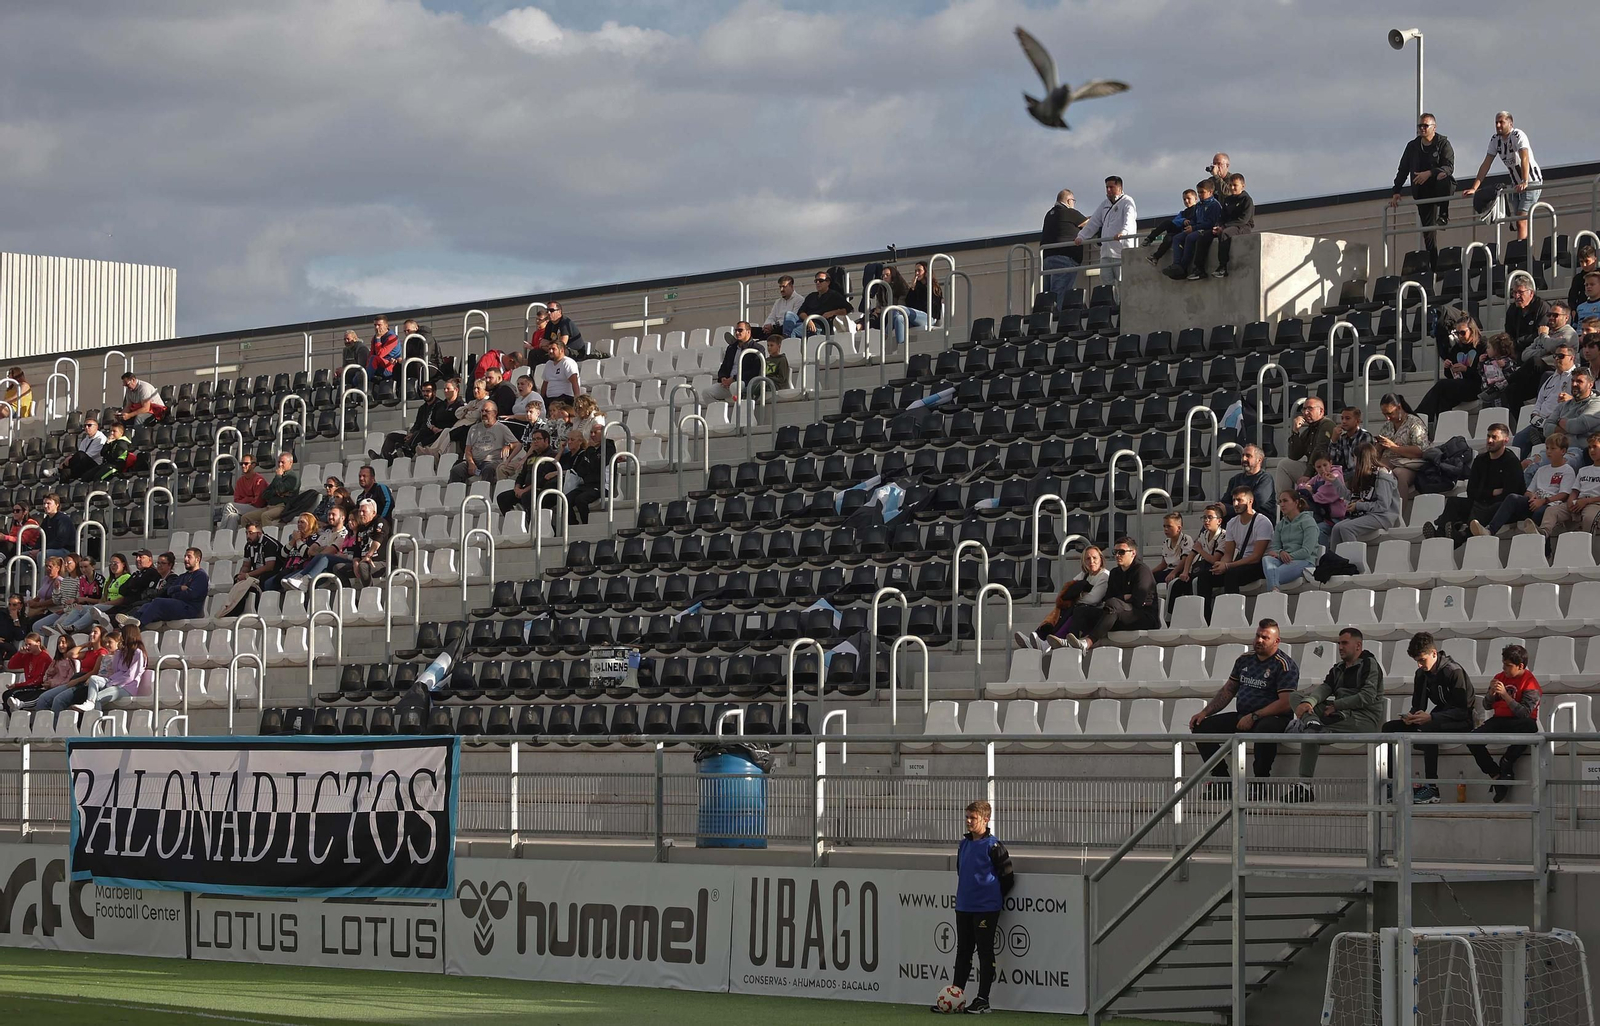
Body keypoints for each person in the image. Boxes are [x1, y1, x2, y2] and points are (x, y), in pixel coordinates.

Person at [1189, 619, 1300, 791]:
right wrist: (1205, 712)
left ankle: (1260, 782)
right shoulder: (1244, 660)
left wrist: (1255, 716)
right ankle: (1222, 780)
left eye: (1265, 637)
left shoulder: (1284, 665)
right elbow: (1228, 690)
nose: (1259, 640)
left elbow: (1286, 703)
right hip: (1243, 715)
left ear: (1276, 641)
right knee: (1201, 727)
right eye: (1257, 636)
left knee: (1265, 730)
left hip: (1274, 718)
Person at [934, 799, 1014, 1017]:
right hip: (964, 905)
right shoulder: (964, 844)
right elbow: (962, 871)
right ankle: (955, 997)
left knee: (985, 952)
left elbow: (1008, 877)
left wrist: (991, 897)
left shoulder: (994, 846)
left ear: (986, 819)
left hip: (986, 908)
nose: (968, 821)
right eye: (967, 817)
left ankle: (983, 1000)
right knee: (963, 951)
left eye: (973, 818)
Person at [1286, 627, 1385, 801]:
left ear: (1358, 645)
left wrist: (1337, 705)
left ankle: (1304, 784)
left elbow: (1367, 697)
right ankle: (1312, 723)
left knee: (1310, 733)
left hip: (1362, 719)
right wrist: (1310, 702)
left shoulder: (1369, 664)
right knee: (1296, 697)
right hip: (1339, 714)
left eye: (1344, 643)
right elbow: (1325, 687)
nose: (1340, 647)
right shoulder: (1338, 667)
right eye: (1339, 643)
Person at [1384, 632, 1477, 804]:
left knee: (1428, 729)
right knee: (1389, 728)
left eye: (1422, 660)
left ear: (1434, 653)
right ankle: (1390, 784)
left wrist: (1432, 717)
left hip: (1461, 721)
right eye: (1416, 661)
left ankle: (1432, 788)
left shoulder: (1453, 671)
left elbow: (1462, 711)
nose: (1419, 665)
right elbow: (1418, 706)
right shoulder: (1421, 673)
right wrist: (1411, 717)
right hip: (1438, 717)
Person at [1463, 643, 1542, 804]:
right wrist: (1491, 694)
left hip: (1520, 721)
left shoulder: (1530, 683)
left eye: (1508, 665)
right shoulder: (1499, 677)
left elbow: (1524, 713)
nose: (1504, 669)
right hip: (1499, 719)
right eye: (1503, 664)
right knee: (1472, 739)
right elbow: (1486, 705)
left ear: (1520, 666)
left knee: (1530, 727)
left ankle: (1507, 761)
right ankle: (1495, 774)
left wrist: (1506, 695)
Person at [1425, 422, 1522, 543]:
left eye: (1494, 437)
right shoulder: (1480, 460)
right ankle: (1440, 533)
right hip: (1480, 503)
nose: (1490, 440)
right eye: (1488, 436)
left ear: (1505, 440)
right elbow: (1471, 491)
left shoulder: (1511, 462)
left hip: (1500, 508)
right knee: (1454, 502)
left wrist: (1484, 494)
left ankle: (1459, 535)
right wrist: (1492, 492)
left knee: (1485, 509)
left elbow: (1510, 493)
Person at [1063, 536, 1158, 651]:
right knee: (1081, 610)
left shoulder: (1142, 571)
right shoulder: (1115, 573)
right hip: (1117, 614)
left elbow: (1138, 601)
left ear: (1133, 553)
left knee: (1113, 604)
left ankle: (1088, 642)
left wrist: (1119, 600)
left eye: (1121, 552)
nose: (1117, 555)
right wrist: (1124, 597)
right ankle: (1070, 643)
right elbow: (1107, 598)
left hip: (1142, 617)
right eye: (1115, 552)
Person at [1472, 431, 1572, 538]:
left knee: (1539, 513)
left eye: (1553, 448)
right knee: (1512, 498)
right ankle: (1490, 530)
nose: (1549, 452)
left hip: (1550, 504)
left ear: (1563, 451)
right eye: (1547, 448)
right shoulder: (1541, 470)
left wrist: (1543, 501)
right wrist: (1532, 496)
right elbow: (1528, 491)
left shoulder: (1567, 470)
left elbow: (1564, 495)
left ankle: (1543, 546)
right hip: (1534, 502)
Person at [1462, 111, 1542, 242]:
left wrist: (1525, 181)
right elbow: (1486, 164)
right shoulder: (1495, 140)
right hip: (1516, 184)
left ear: (1510, 124)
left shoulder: (1517, 135)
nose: (1498, 125)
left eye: (1501, 122)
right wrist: (1474, 188)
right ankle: (1522, 247)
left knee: (1521, 220)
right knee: (1518, 221)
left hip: (1531, 181)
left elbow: (1524, 157)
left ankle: (1522, 250)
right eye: (1496, 123)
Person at [1390, 113, 1455, 267]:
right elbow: (1403, 169)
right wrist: (1396, 191)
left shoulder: (1443, 143)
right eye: (1420, 126)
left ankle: (1443, 215)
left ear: (1434, 127)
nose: (1422, 129)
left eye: (1426, 126)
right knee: (1429, 234)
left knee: (1444, 177)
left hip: (1439, 187)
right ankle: (1434, 267)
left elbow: (1449, 167)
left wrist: (1430, 173)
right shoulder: (1412, 146)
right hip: (1422, 192)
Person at [1194, 486, 1272, 616]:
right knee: (1204, 576)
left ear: (1250, 501)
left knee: (1231, 574)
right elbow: (1228, 554)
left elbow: (1256, 556)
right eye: (1234, 500)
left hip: (1259, 565)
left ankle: (1232, 615)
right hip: (1240, 564)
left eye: (1239, 500)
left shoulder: (1262, 522)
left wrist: (1228, 566)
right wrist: (1222, 564)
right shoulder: (1231, 523)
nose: (1235, 504)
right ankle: (1206, 619)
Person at [1013, 546, 1108, 651]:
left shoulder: (1104, 575)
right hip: (1081, 609)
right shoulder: (1084, 575)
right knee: (1059, 609)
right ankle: (1038, 637)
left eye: (1095, 558)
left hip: (1094, 613)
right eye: (1088, 559)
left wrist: (1077, 597)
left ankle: (1046, 644)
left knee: (1072, 608)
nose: (1091, 561)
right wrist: (1078, 596)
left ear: (1101, 559)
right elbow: (1067, 591)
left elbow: (1092, 599)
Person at [1327, 442, 1401, 549]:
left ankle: (1353, 558)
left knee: (1346, 528)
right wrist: (1335, 482)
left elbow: (1383, 506)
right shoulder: (1365, 474)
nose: (1353, 461)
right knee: (1336, 528)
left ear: (1362, 459)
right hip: (1367, 513)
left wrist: (1358, 506)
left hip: (1382, 516)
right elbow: (1352, 497)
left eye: (1355, 458)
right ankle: (1334, 558)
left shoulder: (1382, 476)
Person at [1512, 343, 1577, 459]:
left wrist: (1571, 399)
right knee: (1519, 439)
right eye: (1555, 356)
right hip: (1541, 421)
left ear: (1572, 358)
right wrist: (1535, 414)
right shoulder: (1550, 378)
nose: (1557, 359)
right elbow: (1539, 401)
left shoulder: (1576, 378)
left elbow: (1583, 399)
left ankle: (1542, 438)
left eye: (1561, 356)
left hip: (1558, 421)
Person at [1416, 317, 1484, 422]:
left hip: (1477, 385)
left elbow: (1484, 373)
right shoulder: (1457, 348)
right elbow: (1449, 375)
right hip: (1460, 385)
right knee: (1443, 400)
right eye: (1457, 333)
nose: (1460, 336)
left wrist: (1466, 369)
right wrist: (1448, 367)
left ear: (1472, 330)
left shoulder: (1482, 346)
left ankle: (1418, 417)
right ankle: (1440, 427)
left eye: (1463, 333)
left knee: (1441, 385)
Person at [119, 549, 208, 627]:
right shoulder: (182, 576)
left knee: (158, 602)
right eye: (185, 556)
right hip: (179, 605)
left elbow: (192, 594)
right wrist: (180, 588)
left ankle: (137, 626)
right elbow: (169, 591)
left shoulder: (201, 575)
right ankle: (131, 622)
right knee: (147, 605)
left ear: (197, 559)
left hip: (190, 609)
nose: (185, 559)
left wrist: (177, 591)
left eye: (189, 557)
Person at [1167, 504, 1225, 615]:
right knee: (1177, 584)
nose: (1206, 520)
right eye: (1204, 517)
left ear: (1219, 521)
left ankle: (1204, 616)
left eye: (1210, 517)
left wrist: (1200, 550)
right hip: (1203, 569)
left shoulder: (1223, 536)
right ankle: (1171, 616)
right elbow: (1191, 555)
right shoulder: (1204, 534)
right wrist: (1185, 572)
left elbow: (1214, 560)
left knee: (1198, 581)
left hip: (1215, 571)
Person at [1074, 176, 1139, 276]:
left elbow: (1129, 219)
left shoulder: (1127, 201)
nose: (1108, 190)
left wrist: (1123, 232)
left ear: (1119, 188)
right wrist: (1081, 236)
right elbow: (1094, 221)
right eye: (1107, 187)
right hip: (1106, 253)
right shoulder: (1105, 204)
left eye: (1111, 187)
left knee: (1122, 281)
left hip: (1121, 252)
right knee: (1106, 281)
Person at [282, 504, 357, 590]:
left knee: (323, 557)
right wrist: (322, 550)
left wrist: (320, 551)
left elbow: (330, 551)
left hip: (336, 563)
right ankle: (301, 579)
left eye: (333, 514)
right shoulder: (326, 533)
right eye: (329, 514)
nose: (330, 517)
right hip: (324, 563)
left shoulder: (343, 534)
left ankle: (306, 580)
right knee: (286, 580)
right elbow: (310, 551)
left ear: (342, 518)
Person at [77, 625, 149, 713]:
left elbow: (130, 676)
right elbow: (115, 669)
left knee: (98, 697)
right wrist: (118, 652)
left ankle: (96, 719)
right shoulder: (123, 652)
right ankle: (90, 703)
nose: (121, 637)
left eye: (123, 634)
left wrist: (111, 683)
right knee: (94, 679)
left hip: (126, 687)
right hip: (114, 681)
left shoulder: (138, 653)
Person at [1195, 173, 1255, 279]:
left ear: (1243, 186)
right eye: (1230, 185)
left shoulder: (1247, 200)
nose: (1232, 187)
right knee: (1204, 235)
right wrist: (1218, 225)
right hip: (1227, 226)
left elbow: (1243, 220)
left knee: (1224, 234)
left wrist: (1224, 227)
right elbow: (1222, 217)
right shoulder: (1228, 200)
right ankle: (1199, 269)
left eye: (1235, 185)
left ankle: (1222, 267)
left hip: (1242, 226)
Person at [1542, 432, 1600, 537]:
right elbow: (1575, 490)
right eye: (1589, 447)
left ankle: (1585, 542)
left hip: (1595, 504)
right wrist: (1570, 502)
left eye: (1595, 447)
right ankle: (1543, 533)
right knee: (1551, 510)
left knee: (1589, 517)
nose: (1591, 450)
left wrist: (1587, 501)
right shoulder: (1583, 470)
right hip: (1578, 502)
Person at [1273, 398, 1335, 494]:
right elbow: (1294, 455)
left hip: (1327, 469)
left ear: (1321, 411)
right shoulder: (1308, 431)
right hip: (1313, 469)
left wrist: (1307, 474)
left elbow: (1320, 449)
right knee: (1284, 464)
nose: (1305, 412)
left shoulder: (1327, 424)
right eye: (1304, 409)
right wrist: (1295, 431)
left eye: (1310, 409)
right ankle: (1285, 500)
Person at [220, 522, 283, 617]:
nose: (248, 536)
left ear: (259, 533)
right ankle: (235, 609)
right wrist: (242, 575)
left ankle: (257, 611)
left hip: (274, 572)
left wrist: (247, 575)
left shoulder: (269, 543)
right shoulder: (248, 546)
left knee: (261, 580)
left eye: (251, 533)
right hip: (259, 572)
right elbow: (246, 565)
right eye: (246, 533)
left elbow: (269, 567)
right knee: (237, 578)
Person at [1375, 393, 1430, 497]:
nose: (1387, 418)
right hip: (1387, 463)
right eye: (1384, 414)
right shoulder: (1387, 426)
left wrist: (1393, 447)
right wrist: (1378, 447)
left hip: (1408, 465)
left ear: (1399, 407)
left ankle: (1399, 507)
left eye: (1390, 413)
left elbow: (1420, 451)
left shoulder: (1414, 423)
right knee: (1372, 472)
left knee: (1398, 474)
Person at [1041, 188, 1088, 309]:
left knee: (1048, 295)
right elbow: (1089, 224)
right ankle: (1057, 318)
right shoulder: (1069, 212)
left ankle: (1046, 316)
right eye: (1073, 201)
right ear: (1068, 200)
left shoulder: (1049, 214)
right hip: (1065, 258)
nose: (1074, 204)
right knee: (1059, 294)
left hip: (1047, 259)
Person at [1261, 492, 1319, 590]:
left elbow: (1307, 551)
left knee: (1274, 574)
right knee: (1267, 559)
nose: (1282, 504)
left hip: (1304, 560)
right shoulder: (1280, 524)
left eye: (1285, 501)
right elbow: (1275, 547)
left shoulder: (1308, 521)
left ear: (1296, 502)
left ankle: (1273, 593)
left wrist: (1287, 556)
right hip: (1284, 560)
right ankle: (1274, 591)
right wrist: (1280, 553)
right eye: (1280, 502)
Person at [374, 379, 443, 460]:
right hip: (416, 436)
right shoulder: (422, 408)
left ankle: (402, 451)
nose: (425, 394)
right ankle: (383, 457)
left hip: (428, 436)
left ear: (434, 392)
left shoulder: (440, 405)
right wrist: (411, 433)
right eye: (423, 391)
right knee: (391, 436)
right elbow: (417, 424)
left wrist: (415, 433)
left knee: (419, 432)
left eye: (427, 391)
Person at [452, 401, 520, 484]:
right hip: (474, 461)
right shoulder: (473, 428)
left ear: (495, 413)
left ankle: (485, 491)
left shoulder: (502, 428)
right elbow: (468, 450)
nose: (483, 413)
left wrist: (508, 445)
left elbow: (517, 444)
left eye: (487, 411)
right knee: (456, 470)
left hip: (491, 462)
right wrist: (471, 463)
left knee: (488, 469)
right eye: (482, 411)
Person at [498, 428, 561, 516]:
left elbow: (543, 479)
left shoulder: (552, 456)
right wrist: (517, 488)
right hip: (526, 489)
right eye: (533, 439)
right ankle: (514, 521)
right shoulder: (530, 457)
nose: (535, 442)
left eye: (538, 439)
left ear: (546, 440)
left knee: (527, 497)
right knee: (502, 497)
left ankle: (531, 522)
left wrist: (524, 490)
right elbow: (522, 475)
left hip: (542, 491)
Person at [1169, 179, 1223, 279]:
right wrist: (1190, 225)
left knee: (1190, 238)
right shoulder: (1198, 205)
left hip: (1207, 230)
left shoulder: (1214, 205)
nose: (1200, 195)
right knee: (1177, 238)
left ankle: (1183, 267)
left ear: (1210, 192)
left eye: (1202, 192)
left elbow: (1211, 223)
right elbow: (1194, 219)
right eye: (1198, 192)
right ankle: (1176, 264)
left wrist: (1194, 228)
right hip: (1195, 228)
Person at [90, 550, 158, 626]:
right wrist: (133, 587)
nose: (137, 559)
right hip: (127, 603)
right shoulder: (136, 574)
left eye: (141, 557)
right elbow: (122, 589)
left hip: (138, 604)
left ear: (150, 559)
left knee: (116, 616)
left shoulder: (152, 572)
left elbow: (139, 586)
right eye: (136, 557)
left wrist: (132, 587)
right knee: (103, 615)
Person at [700, 323, 763, 405]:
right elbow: (724, 366)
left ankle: (739, 411)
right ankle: (719, 411)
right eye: (736, 330)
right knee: (706, 393)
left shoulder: (757, 348)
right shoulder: (731, 348)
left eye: (740, 330)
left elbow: (754, 371)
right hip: (728, 383)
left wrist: (734, 379)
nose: (737, 333)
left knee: (734, 386)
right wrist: (723, 378)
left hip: (746, 382)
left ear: (748, 332)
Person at [239, 452, 300, 528]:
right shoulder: (280, 476)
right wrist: (276, 492)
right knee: (245, 518)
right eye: (279, 462)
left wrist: (278, 477)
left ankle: (268, 535)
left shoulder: (293, 477)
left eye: (282, 462)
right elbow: (265, 494)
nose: (280, 465)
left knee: (265, 516)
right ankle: (249, 535)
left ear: (290, 463)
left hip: (283, 506)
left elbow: (280, 489)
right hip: (270, 506)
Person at [785, 270, 853, 337]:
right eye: (816, 281)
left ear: (828, 282)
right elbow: (801, 312)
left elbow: (849, 309)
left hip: (820, 326)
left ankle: (787, 341)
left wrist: (832, 313)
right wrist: (808, 320)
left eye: (820, 281)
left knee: (794, 331)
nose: (818, 283)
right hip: (806, 322)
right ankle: (786, 337)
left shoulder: (834, 296)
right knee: (789, 315)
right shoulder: (811, 296)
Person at [1143, 188, 1199, 266]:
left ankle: (1156, 257)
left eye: (1189, 198)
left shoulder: (1198, 209)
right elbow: (1175, 221)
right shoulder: (1183, 212)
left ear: (1195, 199)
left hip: (1188, 231)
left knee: (1169, 238)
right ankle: (1149, 239)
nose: (1186, 201)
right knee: (1167, 224)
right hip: (1179, 229)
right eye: (1184, 199)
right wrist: (1183, 221)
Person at [415, 378, 465, 458]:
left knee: (446, 431)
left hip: (450, 432)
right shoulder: (440, 405)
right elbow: (430, 419)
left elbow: (459, 422)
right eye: (444, 389)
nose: (445, 391)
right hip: (435, 431)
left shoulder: (461, 406)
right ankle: (414, 450)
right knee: (423, 432)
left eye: (448, 389)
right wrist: (433, 428)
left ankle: (429, 451)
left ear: (456, 390)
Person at [1226, 444, 1276, 522]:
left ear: (1259, 460)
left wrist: (1227, 509)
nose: (1244, 459)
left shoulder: (1265, 479)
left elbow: (1253, 503)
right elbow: (1225, 501)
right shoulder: (1235, 479)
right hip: (1238, 520)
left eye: (1248, 456)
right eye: (1243, 455)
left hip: (1260, 521)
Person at [3, 633, 52, 710]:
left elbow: (37, 681)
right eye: (26, 644)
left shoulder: (44, 657)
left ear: (38, 643)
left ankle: (5, 707)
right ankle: (9, 710)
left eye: (30, 644)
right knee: (6, 694)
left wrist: (17, 685)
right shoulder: (28, 655)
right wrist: (19, 653)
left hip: (39, 687)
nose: (27, 647)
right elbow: (11, 666)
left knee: (11, 695)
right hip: (30, 685)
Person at [219, 453, 268, 529]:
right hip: (246, 508)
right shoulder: (240, 481)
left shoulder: (259, 480)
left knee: (229, 506)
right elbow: (236, 500)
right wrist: (249, 499)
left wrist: (245, 499)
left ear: (253, 465)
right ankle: (230, 536)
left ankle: (221, 531)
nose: (243, 466)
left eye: (246, 463)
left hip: (258, 509)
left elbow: (258, 502)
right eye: (241, 464)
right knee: (233, 516)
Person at [351, 498, 392, 586]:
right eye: (359, 511)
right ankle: (348, 593)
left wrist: (368, 555)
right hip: (364, 563)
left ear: (373, 513)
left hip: (383, 563)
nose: (361, 514)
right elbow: (357, 550)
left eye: (364, 511)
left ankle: (369, 591)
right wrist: (355, 563)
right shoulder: (361, 529)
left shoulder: (380, 522)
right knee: (338, 568)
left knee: (363, 566)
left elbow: (378, 540)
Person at [1152, 511, 1192, 599]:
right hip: (1169, 570)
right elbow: (1163, 564)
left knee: (1173, 583)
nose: (1166, 529)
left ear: (1179, 528)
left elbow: (1184, 560)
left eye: (1169, 526)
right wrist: (1150, 572)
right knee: (1149, 579)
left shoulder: (1186, 539)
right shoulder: (1166, 542)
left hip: (1181, 571)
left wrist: (1173, 572)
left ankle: (1171, 607)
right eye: (1164, 526)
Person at [1325, 406, 1375, 476]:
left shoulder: (1365, 436)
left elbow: (1365, 462)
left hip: (1361, 473)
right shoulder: (1342, 438)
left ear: (1357, 421)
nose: (1344, 421)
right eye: (1342, 418)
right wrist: (1333, 440)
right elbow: (1333, 460)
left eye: (1347, 418)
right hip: (1345, 473)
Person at [58, 416, 107, 482]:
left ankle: (59, 469)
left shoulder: (101, 439)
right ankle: (62, 487)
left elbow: (88, 455)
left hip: (95, 466)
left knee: (80, 455)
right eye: (85, 426)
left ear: (96, 427)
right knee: (65, 472)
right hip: (83, 465)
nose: (86, 427)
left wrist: (71, 458)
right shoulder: (85, 439)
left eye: (89, 425)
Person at [901, 261, 943, 336]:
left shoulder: (933, 288)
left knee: (900, 309)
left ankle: (886, 335)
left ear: (926, 271)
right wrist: (912, 288)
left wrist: (915, 309)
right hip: (917, 316)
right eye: (915, 271)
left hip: (929, 318)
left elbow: (928, 306)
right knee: (898, 318)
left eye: (919, 270)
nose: (917, 273)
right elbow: (908, 303)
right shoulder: (917, 287)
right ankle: (894, 341)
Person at [539, 341, 581, 410]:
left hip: (565, 399)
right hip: (549, 399)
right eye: (549, 349)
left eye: (553, 349)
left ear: (562, 350)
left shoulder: (567, 363)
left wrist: (577, 400)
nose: (550, 351)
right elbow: (545, 383)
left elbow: (574, 382)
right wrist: (541, 399)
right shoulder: (548, 364)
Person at [37, 493, 75, 558]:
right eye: (44, 503)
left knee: (41, 555)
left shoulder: (63, 519)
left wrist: (40, 550)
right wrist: (34, 550)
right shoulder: (46, 520)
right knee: (24, 556)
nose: (45, 506)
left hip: (66, 550)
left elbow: (60, 541)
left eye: (48, 503)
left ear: (57, 505)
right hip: (48, 549)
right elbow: (40, 538)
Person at [368, 315, 401, 380]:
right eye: (375, 325)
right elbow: (371, 354)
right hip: (378, 365)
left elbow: (380, 354)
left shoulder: (392, 338)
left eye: (379, 325)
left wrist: (378, 339)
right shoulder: (374, 338)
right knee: (358, 375)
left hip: (390, 367)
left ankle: (366, 381)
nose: (377, 327)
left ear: (386, 326)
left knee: (374, 358)